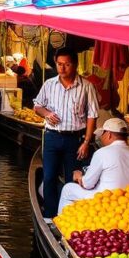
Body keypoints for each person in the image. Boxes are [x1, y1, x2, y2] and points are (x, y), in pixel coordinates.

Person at [33, 47, 100, 218]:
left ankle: (68, 218)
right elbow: (37, 106)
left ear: (75, 65)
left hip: (75, 140)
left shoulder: (86, 87)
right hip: (52, 137)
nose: (62, 69)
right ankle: (49, 216)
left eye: (67, 65)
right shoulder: (49, 84)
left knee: (73, 181)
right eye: (59, 64)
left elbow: (92, 115)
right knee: (49, 178)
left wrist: (86, 142)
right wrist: (47, 114)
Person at [58, 118, 129, 213]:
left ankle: (63, 222)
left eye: (102, 134)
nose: (101, 138)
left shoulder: (102, 153)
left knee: (68, 188)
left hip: (105, 201)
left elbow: (88, 184)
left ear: (109, 134)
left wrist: (79, 176)